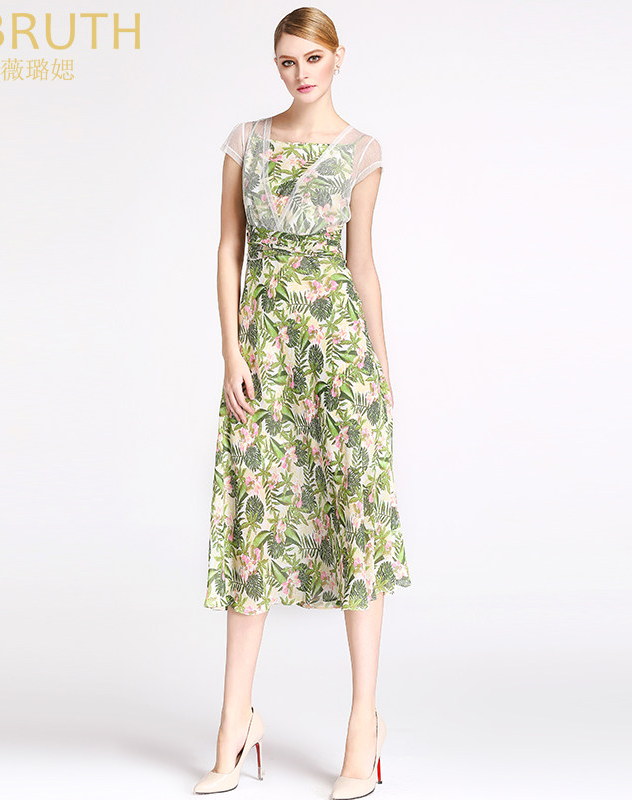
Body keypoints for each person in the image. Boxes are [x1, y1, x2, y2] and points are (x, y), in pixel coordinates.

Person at [195, 7, 412, 798]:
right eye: (287, 61)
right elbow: (229, 247)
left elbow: (362, 265)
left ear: (337, 58)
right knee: (254, 525)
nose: (300, 73)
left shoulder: (362, 152)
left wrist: (381, 371)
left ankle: (363, 723)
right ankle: (235, 721)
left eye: (312, 58)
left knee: (357, 522)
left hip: (339, 359)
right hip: (263, 355)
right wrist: (231, 352)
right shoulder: (245, 143)